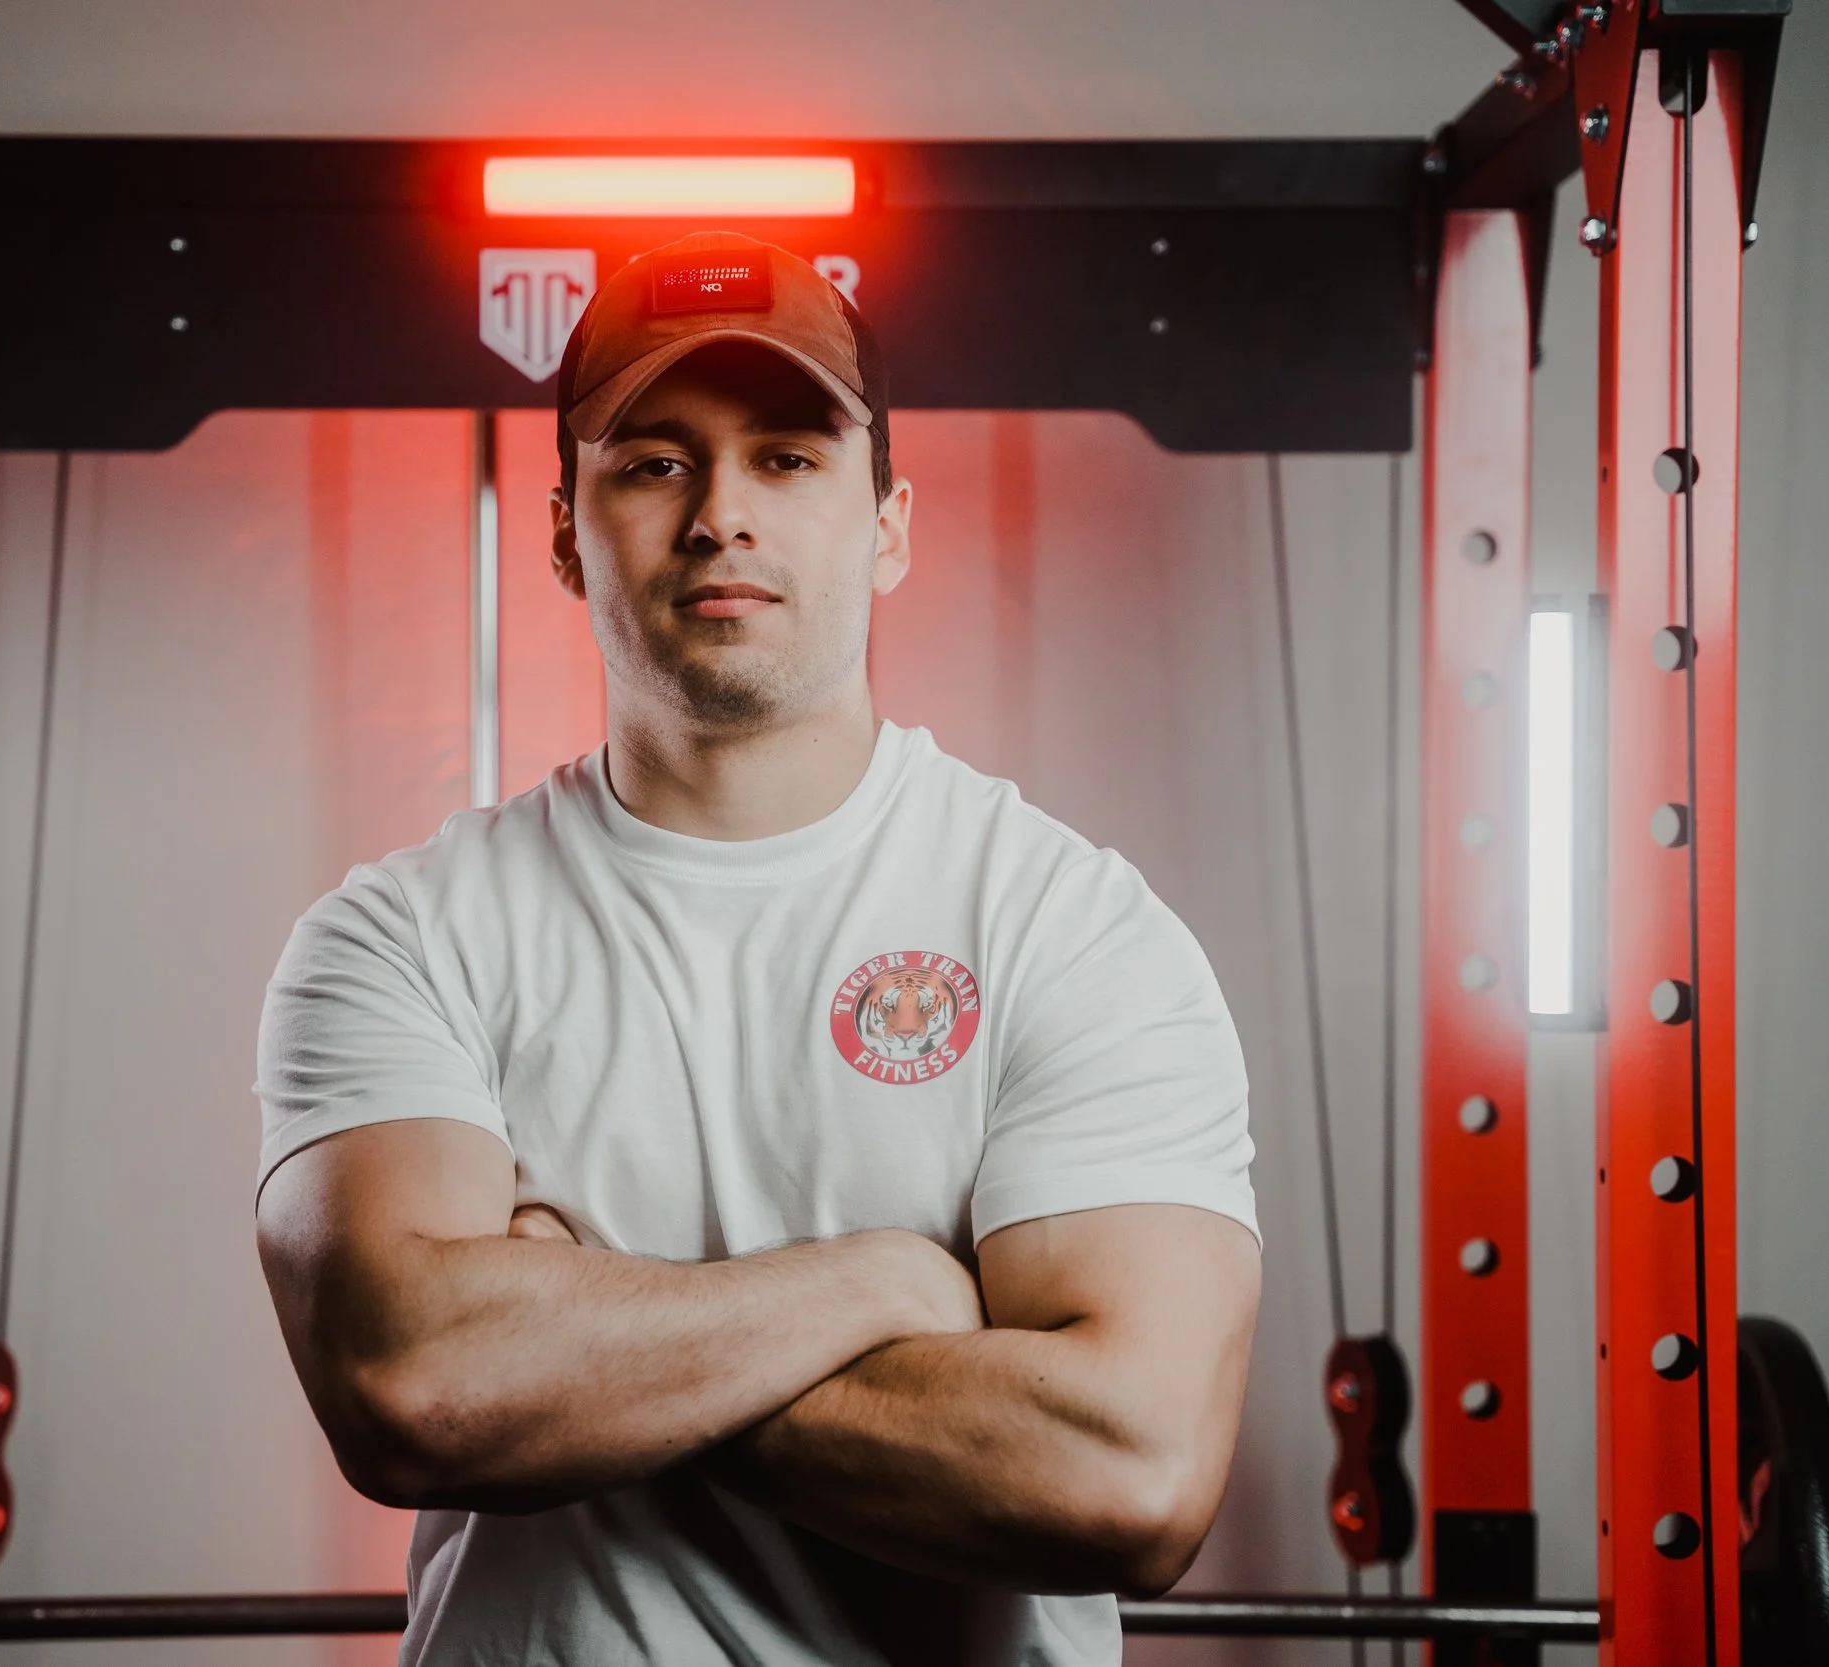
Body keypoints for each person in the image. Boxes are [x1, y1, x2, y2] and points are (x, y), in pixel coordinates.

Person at [253, 230, 1260, 1666]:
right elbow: (414, 1384)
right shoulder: (403, 934)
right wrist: (887, 1282)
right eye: (654, 460)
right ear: (561, 530)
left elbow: (1129, 1481)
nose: (722, 511)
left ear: (890, 523)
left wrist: (573, 1325)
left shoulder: (1070, 928)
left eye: (787, 457)